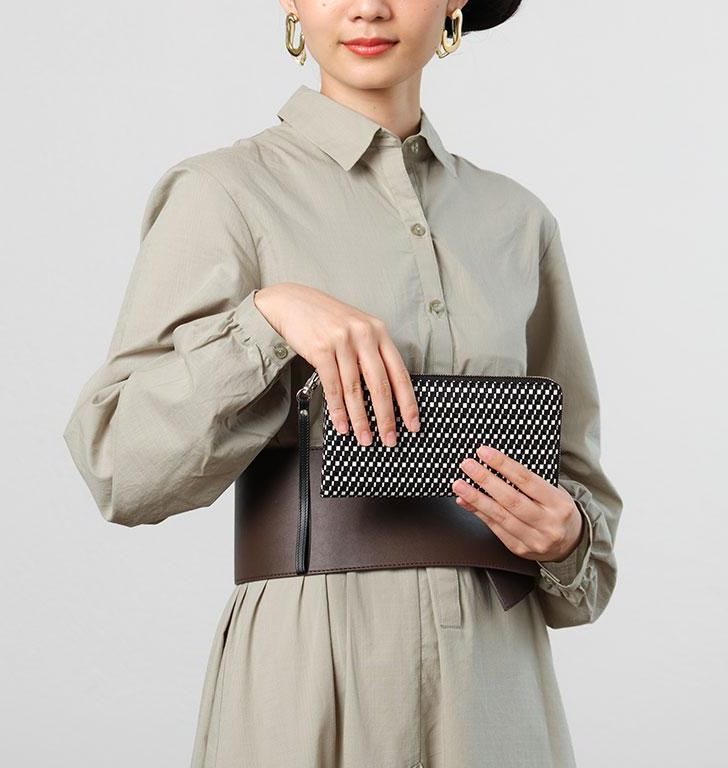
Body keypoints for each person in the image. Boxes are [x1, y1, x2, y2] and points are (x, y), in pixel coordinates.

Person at [62, 1, 624, 766]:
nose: (368, 6)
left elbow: (583, 503)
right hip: (308, 660)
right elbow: (120, 469)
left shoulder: (518, 222)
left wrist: (568, 536)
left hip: (494, 676)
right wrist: (269, 320)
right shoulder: (222, 193)